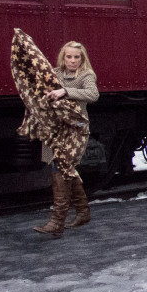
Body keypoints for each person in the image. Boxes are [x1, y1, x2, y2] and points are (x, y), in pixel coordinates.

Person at [34, 41, 99, 236]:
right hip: (58, 130)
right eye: (68, 56)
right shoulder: (55, 73)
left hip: (76, 131)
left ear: (82, 58)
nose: (72, 60)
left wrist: (65, 92)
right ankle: (83, 212)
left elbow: (93, 94)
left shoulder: (86, 75)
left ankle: (57, 221)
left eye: (76, 57)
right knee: (67, 169)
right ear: (63, 57)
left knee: (61, 168)